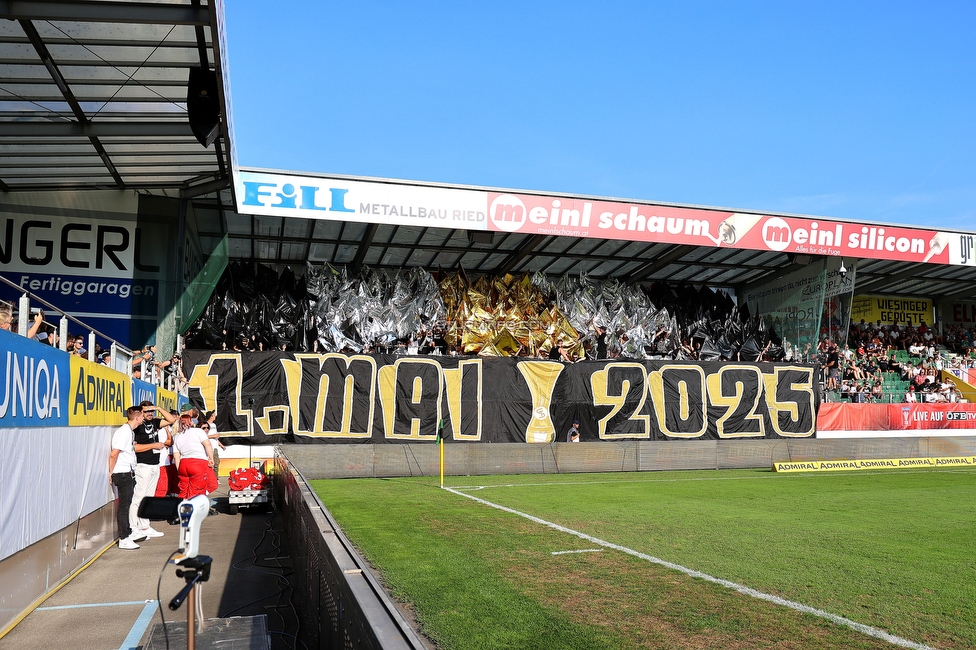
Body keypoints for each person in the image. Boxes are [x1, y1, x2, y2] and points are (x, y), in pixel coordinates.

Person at [130, 401, 177, 540]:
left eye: (152, 412)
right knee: (138, 497)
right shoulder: (137, 427)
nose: (150, 414)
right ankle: (134, 527)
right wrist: (153, 445)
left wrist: (158, 408)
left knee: (148, 498)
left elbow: (172, 420)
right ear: (141, 413)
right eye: (147, 411)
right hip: (142, 465)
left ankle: (145, 526)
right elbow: (135, 447)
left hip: (155, 464)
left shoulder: (155, 422)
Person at [110, 406, 146, 550]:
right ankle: (123, 538)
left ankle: (128, 533)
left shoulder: (129, 432)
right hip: (122, 473)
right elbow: (114, 453)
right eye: (142, 416)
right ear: (137, 417)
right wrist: (110, 472)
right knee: (124, 506)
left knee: (127, 504)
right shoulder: (124, 432)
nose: (143, 418)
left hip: (128, 472)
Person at [172, 413, 218, 499]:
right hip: (198, 462)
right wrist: (211, 459)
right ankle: (192, 510)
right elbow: (207, 444)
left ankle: (180, 510)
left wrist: (179, 469)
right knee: (196, 492)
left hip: (183, 463)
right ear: (191, 421)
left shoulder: (177, 436)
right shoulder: (198, 431)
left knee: (183, 491)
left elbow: (176, 455)